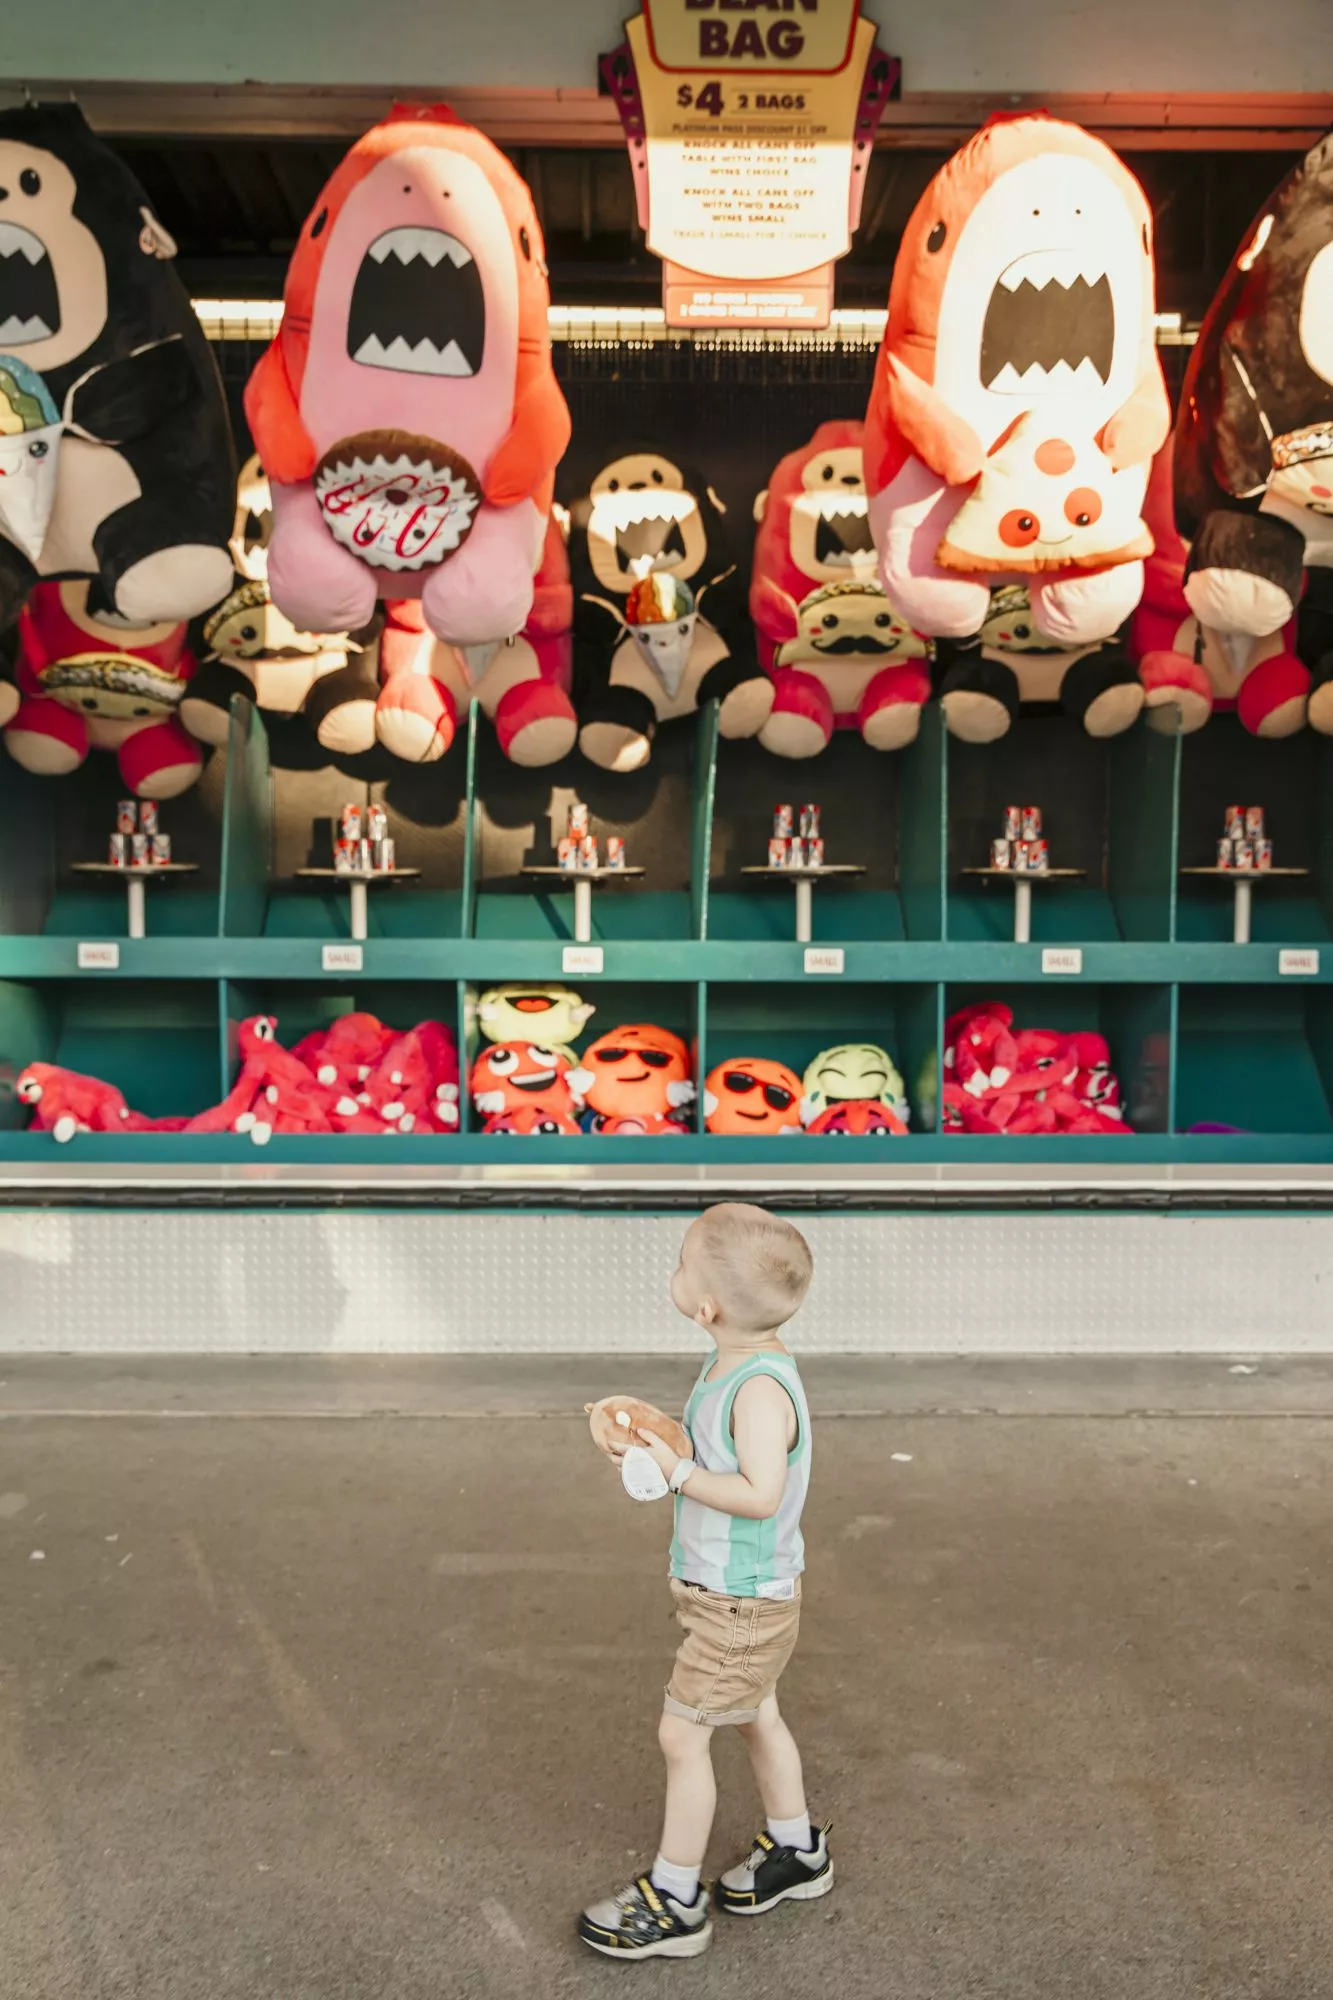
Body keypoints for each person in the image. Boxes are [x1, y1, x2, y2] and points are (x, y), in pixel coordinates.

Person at [579, 1201, 831, 1961]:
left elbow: (758, 1492)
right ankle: (796, 1852)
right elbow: (719, 1461)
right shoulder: (736, 1361)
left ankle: (675, 1899)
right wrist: (664, 1441)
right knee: (755, 1713)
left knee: (682, 1734)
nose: (675, 1272)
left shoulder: (757, 1390)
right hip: (736, 1593)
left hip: (740, 1600)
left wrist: (678, 1471)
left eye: (682, 1263)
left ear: (707, 1305)